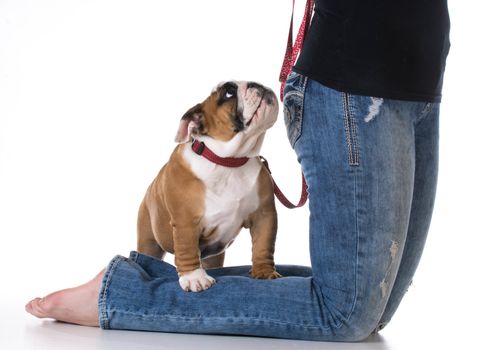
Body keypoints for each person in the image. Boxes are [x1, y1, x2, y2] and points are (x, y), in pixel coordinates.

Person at [25, 0, 450, 341]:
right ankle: (118, 294)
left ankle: (144, 281)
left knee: (374, 309)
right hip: (354, 88)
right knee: (347, 317)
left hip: (420, 87)